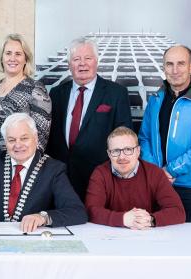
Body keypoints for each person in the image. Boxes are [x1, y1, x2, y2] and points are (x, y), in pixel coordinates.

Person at [0, 113, 87, 232]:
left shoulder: (53, 169)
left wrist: (43, 217)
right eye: (11, 140)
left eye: (24, 138)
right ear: (5, 142)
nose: (18, 145)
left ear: (36, 138)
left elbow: (77, 211)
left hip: (34, 242)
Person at [139, 45, 191, 222]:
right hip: (157, 185)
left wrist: (171, 170)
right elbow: (144, 138)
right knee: (158, 243)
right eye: (169, 64)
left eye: (181, 64)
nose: (175, 70)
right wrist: (156, 172)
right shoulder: (156, 99)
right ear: (164, 68)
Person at [46, 37, 132, 202]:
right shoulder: (56, 94)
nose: (82, 64)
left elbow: (125, 138)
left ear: (96, 61)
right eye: (76, 59)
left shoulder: (116, 93)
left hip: (100, 180)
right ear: (69, 64)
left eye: (87, 58)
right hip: (60, 181)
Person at [0, 34, 51, 188]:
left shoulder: (36, 89)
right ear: (2, 58)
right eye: (8, 53)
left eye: (18, 54)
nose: (12, 58)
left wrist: (21, 173)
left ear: (26, 58)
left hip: (18, 173)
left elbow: (40, 140)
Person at [85, 127, 185, 229]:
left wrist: (150, 219)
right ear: (109, 154)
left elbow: (178, 211)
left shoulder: (155, 173)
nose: (122, 157)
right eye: (115, 151)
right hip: (109, 237)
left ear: (138, 151)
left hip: (147, 235)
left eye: (128, 150)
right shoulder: (100, 174)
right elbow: (91, 210)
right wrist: (123, 219)